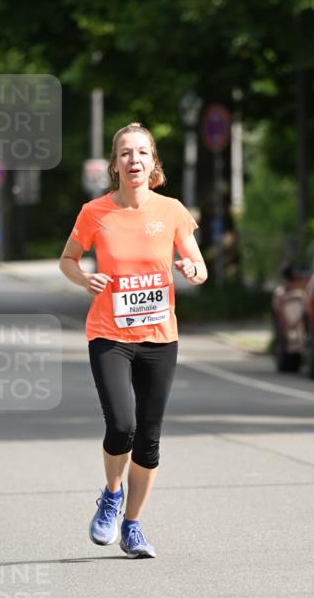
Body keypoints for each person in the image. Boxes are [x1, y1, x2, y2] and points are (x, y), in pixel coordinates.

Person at [59, 121, 207, 558]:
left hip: (160, 337)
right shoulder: (94, 212)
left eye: (142, 152)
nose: (134, 160)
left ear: (153, 162)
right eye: (126, 153)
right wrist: (84, 277)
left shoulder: (173, 211)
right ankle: (110, 494)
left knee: (149, 437)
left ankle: (134, 526)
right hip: (109, 334)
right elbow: (67, 259)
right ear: (115, 164)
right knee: (122, 424)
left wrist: (192, 271)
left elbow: (199, 264)